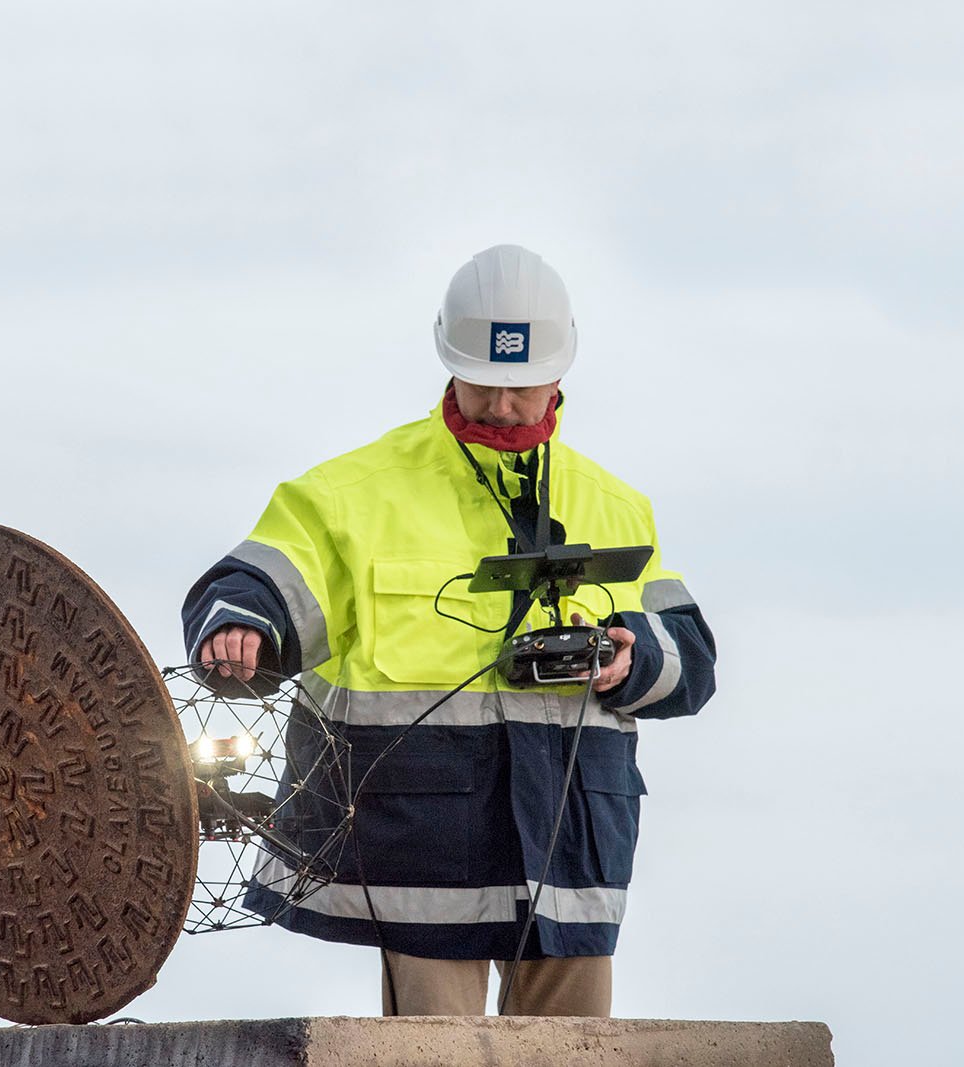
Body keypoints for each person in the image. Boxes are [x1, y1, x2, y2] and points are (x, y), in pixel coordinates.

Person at [181, 244, 716, 1017]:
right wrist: (244, 625)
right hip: (420, 864)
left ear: (561, 372)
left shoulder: (618, 507)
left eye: (521, 386)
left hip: (571, 857)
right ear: (448, 362)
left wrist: (634, 657)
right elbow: (251, 579)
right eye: (484, 382)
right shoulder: (356, 493)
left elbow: (691, 659)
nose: (502, 406)